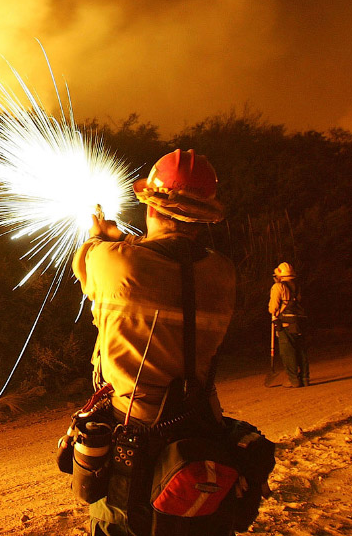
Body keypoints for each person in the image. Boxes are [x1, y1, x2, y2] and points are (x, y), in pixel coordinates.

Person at [72, 149, 238, 536]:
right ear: (202, 216)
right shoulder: (223, 272)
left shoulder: (115, 262)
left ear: (151, 205)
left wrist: (101, 235)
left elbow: (88, 266)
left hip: (134, 437)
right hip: (200, 434)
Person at [268, 262, 309, 387]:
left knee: (288, 351)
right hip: (299, 322)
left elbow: (273, 307)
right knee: (301, 350)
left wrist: (274, 316)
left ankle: (293, 380)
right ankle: (305, 378)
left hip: (285, 323)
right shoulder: (298, 286)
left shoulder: (278, 287)